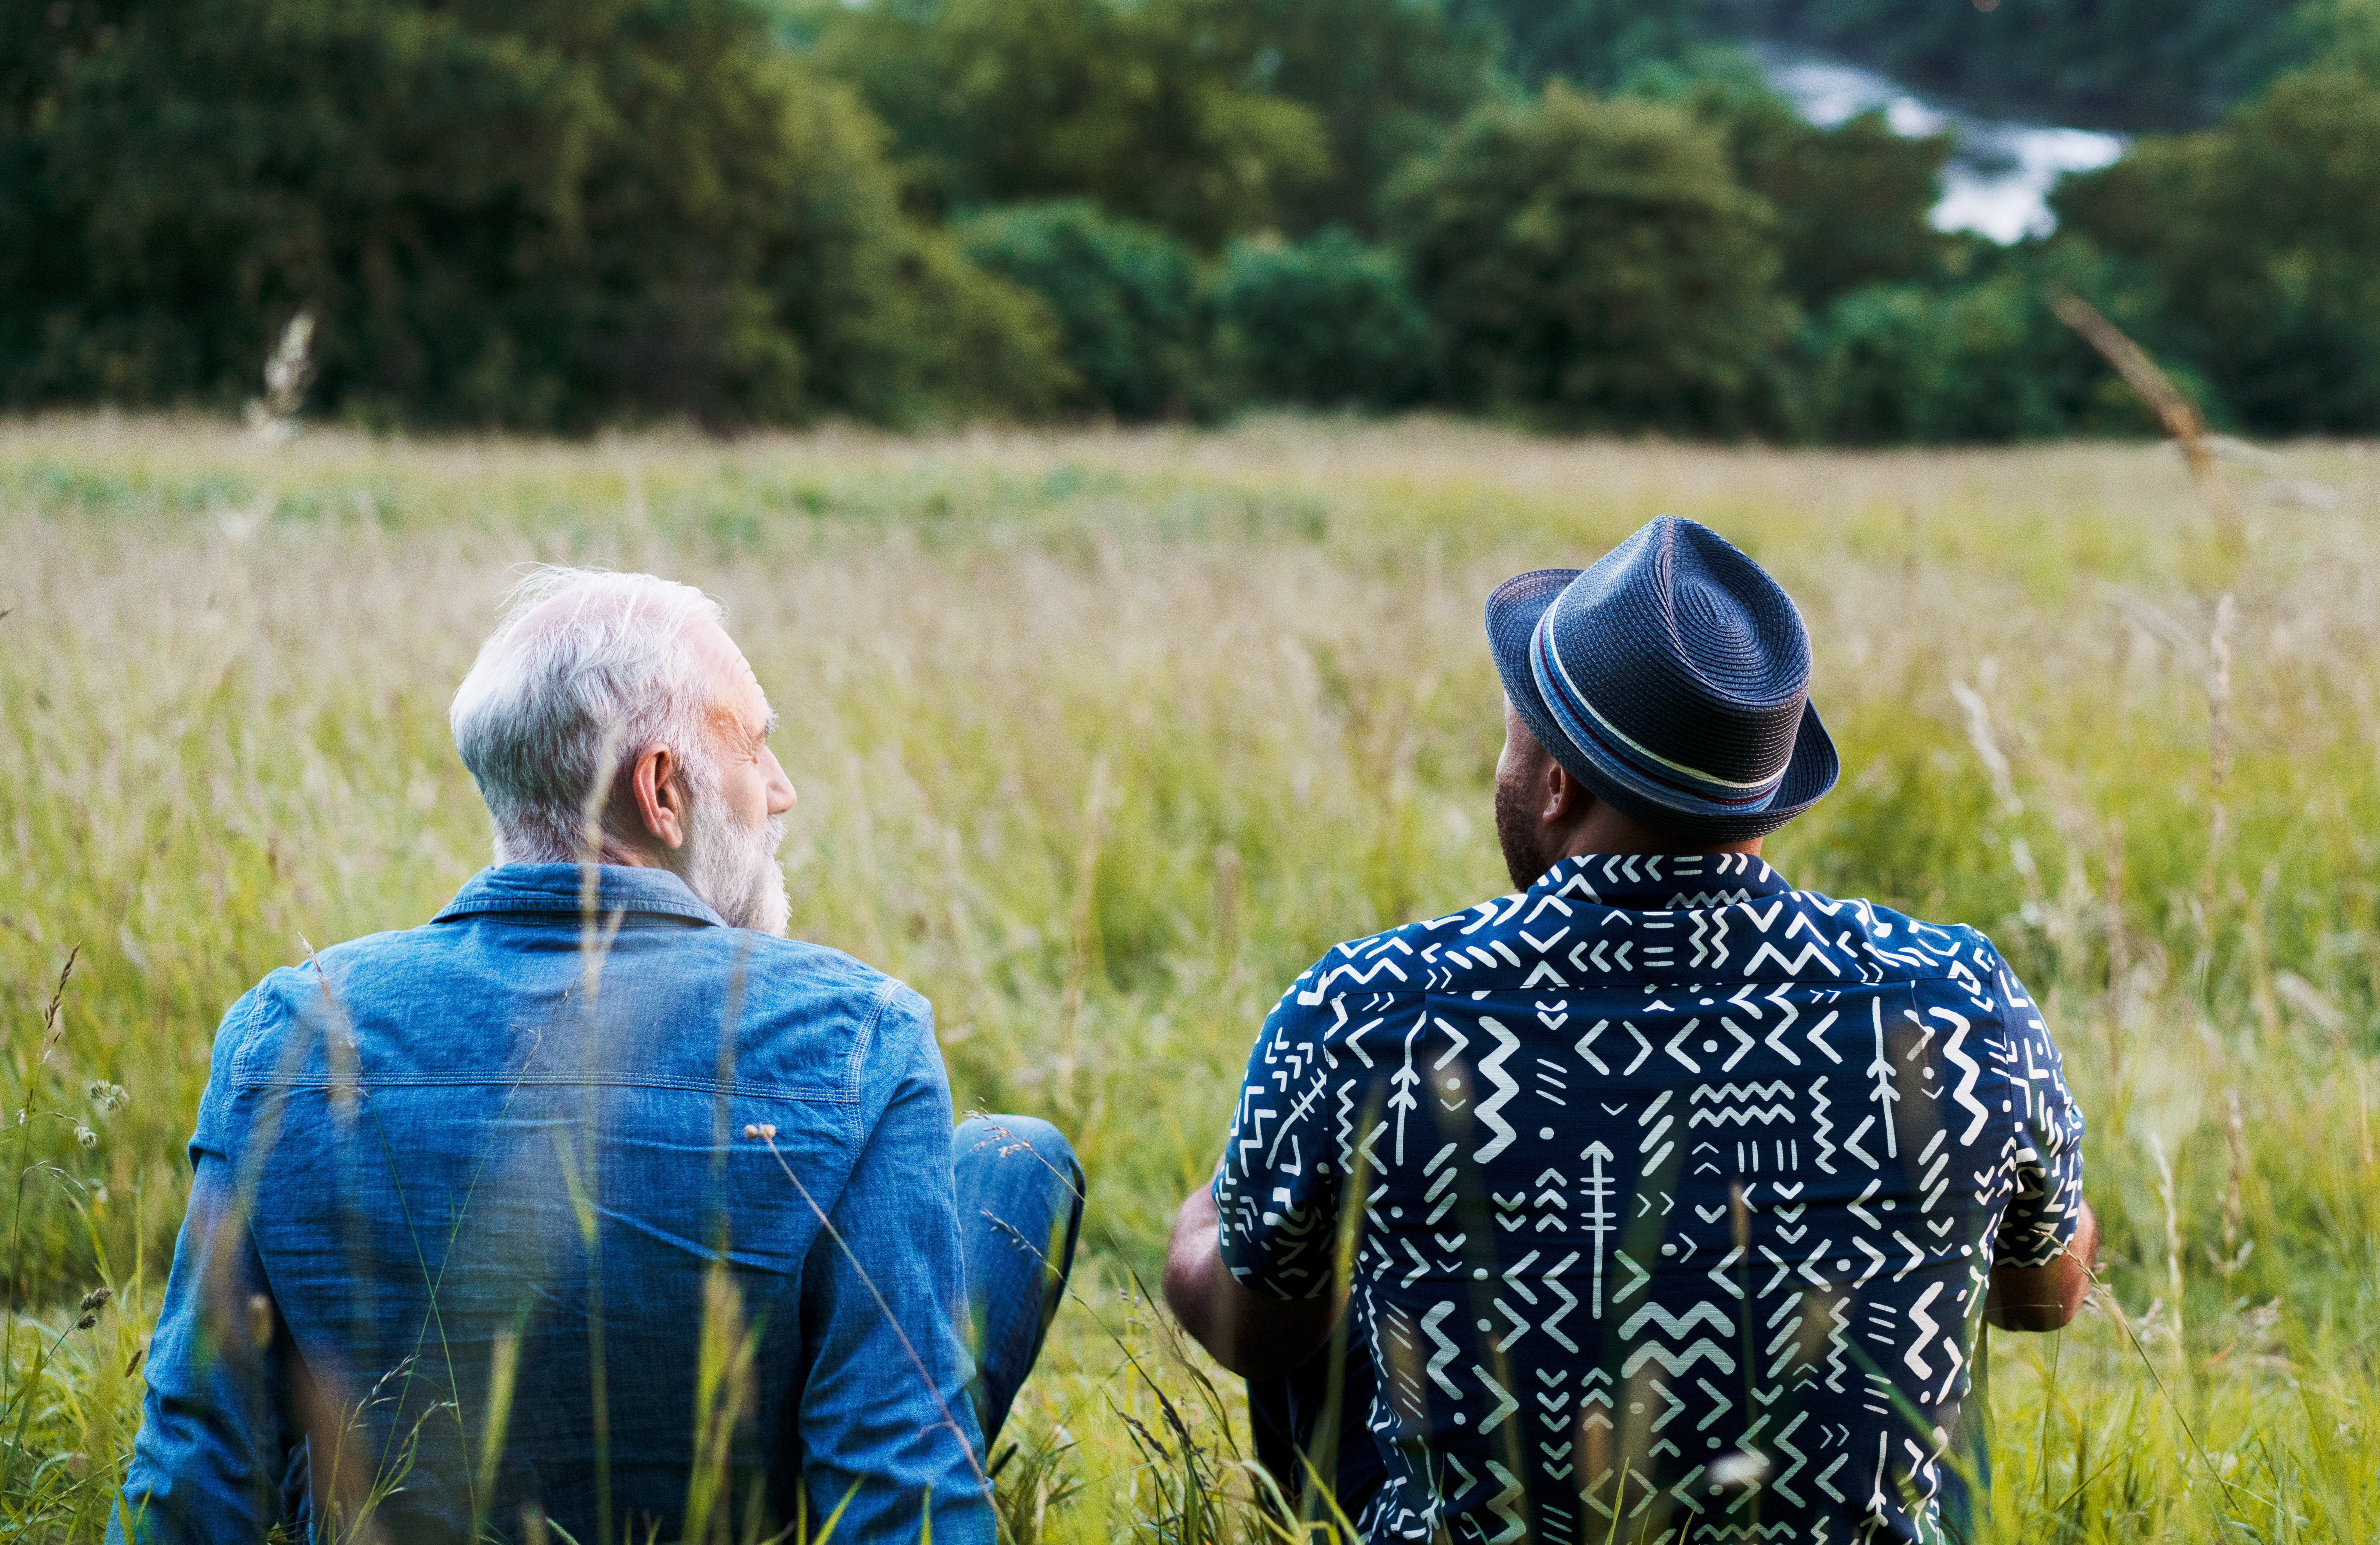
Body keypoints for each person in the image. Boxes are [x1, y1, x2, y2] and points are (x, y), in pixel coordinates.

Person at [1165, 516, 2096, 1544]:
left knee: (1319, 1254)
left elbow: (1253, 1329)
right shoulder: (1956, 999)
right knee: (1914, 1320)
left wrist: (1220, 1206)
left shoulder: (1371, 1008)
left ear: (1557, 782)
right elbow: (2041, 1295)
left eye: (1513, 738)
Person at [113, 568, 1082, 1545]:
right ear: (661, 790)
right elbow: (901, 1499)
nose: (782, 790)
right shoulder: (863, 1033)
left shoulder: (286, 1031)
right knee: (1011, 1159)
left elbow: (194, 1476)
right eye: (755, 746)